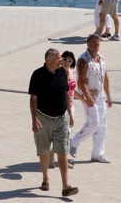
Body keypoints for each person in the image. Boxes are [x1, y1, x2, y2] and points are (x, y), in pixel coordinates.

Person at [29, 48, 77, 196]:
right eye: (58, 59)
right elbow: (33, 98)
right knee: (43, 151)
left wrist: (70, 113)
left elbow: (66, 94)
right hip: (42, 118)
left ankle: (66, 186)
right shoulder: (37, 75)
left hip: (61, 118)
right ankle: (45, 178)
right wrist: (34, 119)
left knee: (62, 151)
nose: (61, 61)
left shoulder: (62, 72)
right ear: (49, 60)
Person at [70, 33, 112, 164]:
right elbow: (80, 81)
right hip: (89, 97)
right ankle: (74, 142)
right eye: (93, 44)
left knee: (102, 126)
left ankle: (98, 154)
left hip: (101, 97)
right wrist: (86, 97)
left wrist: (109, 95)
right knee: (93, 123)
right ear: (88, 44)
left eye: (98, 44)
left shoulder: (101, 59)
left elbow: (105, 78)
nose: (96, 47)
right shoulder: (83, 60)